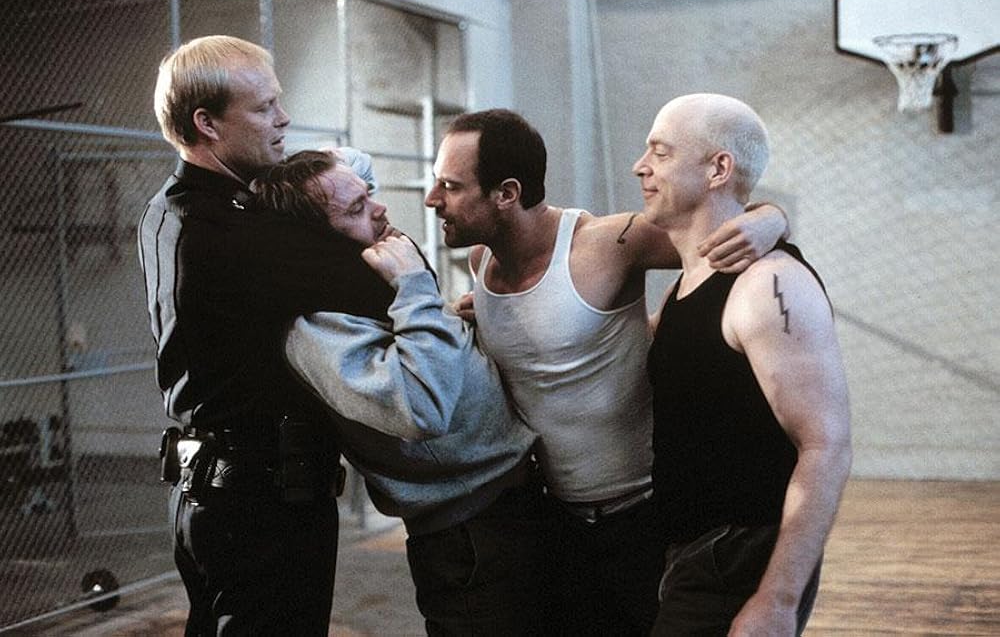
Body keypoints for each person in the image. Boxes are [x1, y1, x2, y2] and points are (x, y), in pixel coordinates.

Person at [424, 108, 790, 635]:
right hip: (558, 522)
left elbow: (718, 232)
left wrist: (771, 218)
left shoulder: (606, 243)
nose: (433, 199)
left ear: (506, 193)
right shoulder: (481, 264)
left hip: (647, 518)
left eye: (450, 186)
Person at [138, 35, 397, 635]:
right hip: (260, 503)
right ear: (206, 124)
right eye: (263, 108)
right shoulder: (239, 235)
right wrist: (363, 216)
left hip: (218, 491)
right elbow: (388, 288)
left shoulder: (169, 208)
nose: (284, 119)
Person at [248, 149, 555, 635]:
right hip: (468, 531)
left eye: (368, 194)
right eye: (355, 208)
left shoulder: (355, 286)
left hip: (507, 504)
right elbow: (420, 406)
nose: (379, 209)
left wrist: (449, 322)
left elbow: (419, 356)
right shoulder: (315, 327)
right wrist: (414, 287)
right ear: (312, 239)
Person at [633, 93, 852, 635]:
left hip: (736, 558)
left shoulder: (769, 285)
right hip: (690, 552)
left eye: (660, 152)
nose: (641, 166)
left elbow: (826, 447)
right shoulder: (688, 284)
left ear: (718, 169)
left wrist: (778, 599)